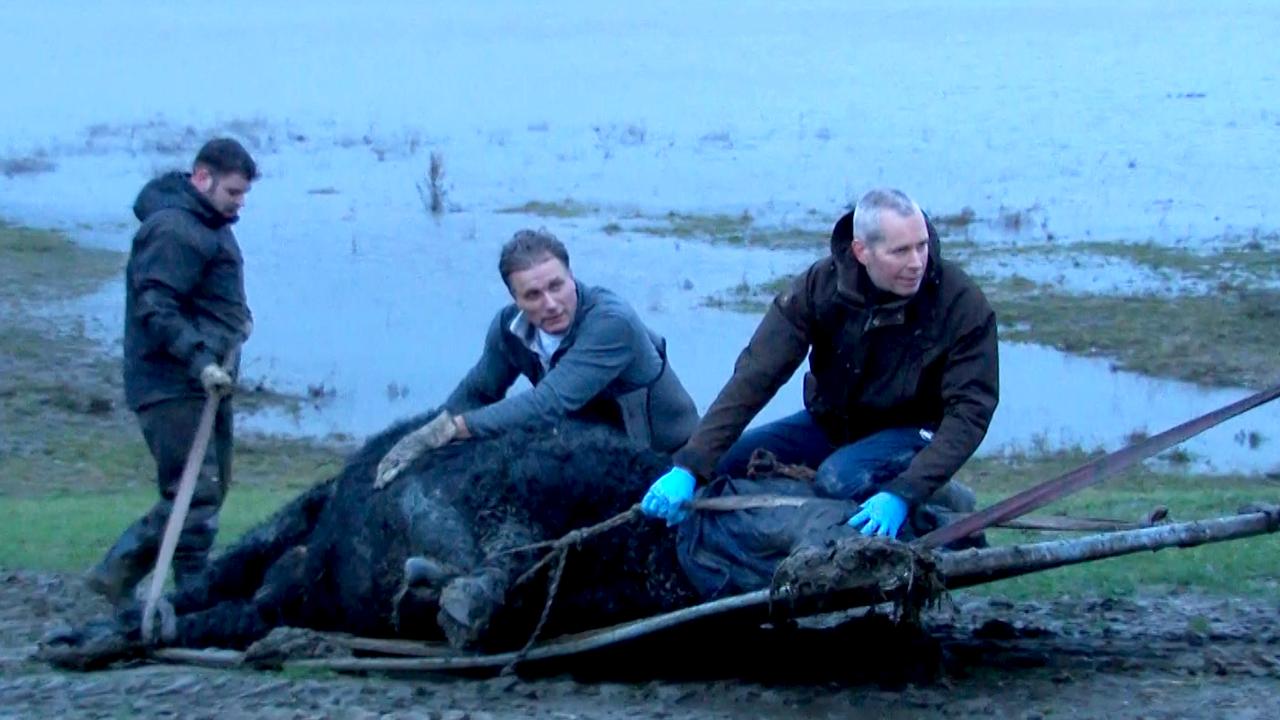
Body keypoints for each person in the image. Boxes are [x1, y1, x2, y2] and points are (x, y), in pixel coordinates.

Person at [641, 188, 999, 538]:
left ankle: (937, 496)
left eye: (922, 246)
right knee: (720, 464)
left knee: (838, 479)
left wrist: (905, 492)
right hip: (832, 425)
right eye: (900, 251)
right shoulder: (819, 288)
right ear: (862, 251)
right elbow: (755, 376)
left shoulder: (961, 302)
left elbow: (970, 412)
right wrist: (690, 465)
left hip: (916, 432)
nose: (917, 263)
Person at [375, 228, 700, 487]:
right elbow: (478, 393)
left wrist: (450, 430)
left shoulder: (611, 323)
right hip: (585, 456)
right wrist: (427, 437)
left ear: (572, 276)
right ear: (515, 298)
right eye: (533, 294)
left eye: (557, 286)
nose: (551, 303)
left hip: (665, 464)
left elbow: (549, 403)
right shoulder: (508, 329)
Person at [85, 138, 257, 604]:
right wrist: (200, 361)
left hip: (208, 382)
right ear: (202, 178)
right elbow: (156, 306)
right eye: (233, 192)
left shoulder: (211, 222)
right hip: (172, 383)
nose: (240, 203)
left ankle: (192, 591)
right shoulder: (174, 230)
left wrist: (237, 323)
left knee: (207, 493)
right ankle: (115, 574)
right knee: (193, 494)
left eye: (244, 194)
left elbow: (207, 295)